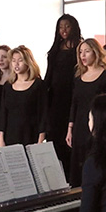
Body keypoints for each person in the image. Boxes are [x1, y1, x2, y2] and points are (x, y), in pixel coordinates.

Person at [66, 39, 106, 186]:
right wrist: (70, 129)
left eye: (87, 51)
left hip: (99, 126)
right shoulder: (78, 77)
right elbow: (74, 104)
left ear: (95, 52)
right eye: (80, 52)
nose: (83, 55)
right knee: (78, 164)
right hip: (80, 126)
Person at [46, 15, 83, 175]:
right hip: (56, 100)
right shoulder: (55, 49)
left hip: (72, 96)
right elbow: (49, 75)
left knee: (71, 138)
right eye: (61, 27)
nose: (64, 30)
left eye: (67, 26)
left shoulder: (79, 48)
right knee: (55, 137)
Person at [0, 45, 48, 146]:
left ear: (28, 62)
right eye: (13, 60)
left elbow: (43, 114)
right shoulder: (8, 86)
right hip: (10, 137)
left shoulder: (38, 85)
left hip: (31, 136)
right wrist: (1, 140)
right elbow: (3, 114)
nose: (16, 64)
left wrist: (40, 140)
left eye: (20, 60)